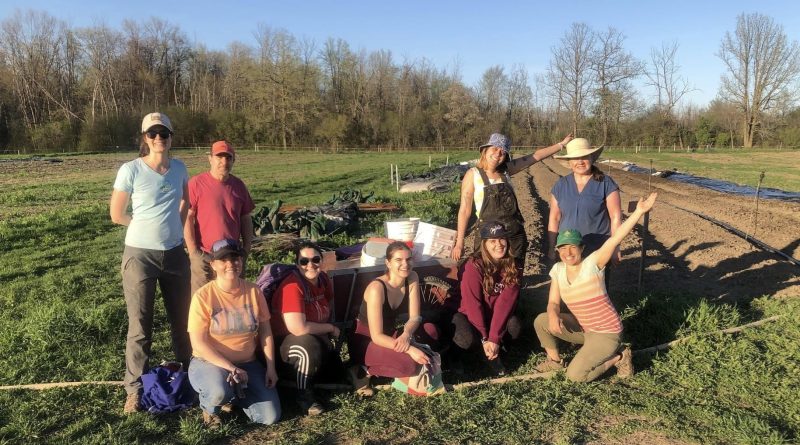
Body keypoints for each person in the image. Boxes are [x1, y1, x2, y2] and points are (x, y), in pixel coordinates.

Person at [110, 112, 192, 414]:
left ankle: (192, 378)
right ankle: (134, 390)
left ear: (171, 137)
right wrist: (144, 225)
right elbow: (117, 214)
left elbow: (187, 203)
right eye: (153, 133)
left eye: (164, 133)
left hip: (174, 254)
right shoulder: (130, 169)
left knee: (183, 322)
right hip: (139, 256)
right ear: (145, 138)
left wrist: (175, 227)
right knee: (140, 326)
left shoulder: (180, 168)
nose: (159, 138)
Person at [533, 192, 658, 382]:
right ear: (558, 250)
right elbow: (553, 302)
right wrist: (552, 314)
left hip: (606, 332)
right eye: (563, 248)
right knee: (542, 320)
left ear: (582, 248)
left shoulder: (592, 263)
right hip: (585, 328)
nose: (568, 252)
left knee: (575, 376)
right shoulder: (558, 270)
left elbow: (615, 239)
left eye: (573, 247)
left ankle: (620, 356)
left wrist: (638, 212)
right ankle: (554, 360)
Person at [187, 238, 280, 428]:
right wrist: (231, 368)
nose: (231, 264)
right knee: (219, 391)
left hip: (248, 363)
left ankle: (235, 397)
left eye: (235, 258)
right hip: (210, 362)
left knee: (270, 417)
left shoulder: (254, 291)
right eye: (223, 260)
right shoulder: (203, 296)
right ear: (213, 265)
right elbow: (198, 343)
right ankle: (210, 407)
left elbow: (266, 332)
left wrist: (271, 367)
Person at [452, 132, 573, 269]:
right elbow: (465, 210)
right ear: (485, 150)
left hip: (513, 235)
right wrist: (459, 242)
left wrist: (561, 145)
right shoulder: (472, 174)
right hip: (488, 237)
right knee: (486, 274)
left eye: (503, 152)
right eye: (495, 149)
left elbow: (536, 156)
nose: (498, 154)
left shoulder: (507, 171)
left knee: (513, 276)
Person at [348, 242, 440, 395]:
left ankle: (396, 363)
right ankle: (362, 370)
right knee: (410, 364)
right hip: (367, 341)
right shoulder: (377, 288)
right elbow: (377, 336)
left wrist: (406, 334)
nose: (405, 264)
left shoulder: (412, 277)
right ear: (388, 263)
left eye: (408, 259)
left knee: (431, 331)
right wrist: (410, 349)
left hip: (390, 335)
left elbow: (415, 317)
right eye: (399, 260)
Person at [272, 241, 341, 416]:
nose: (310, 265)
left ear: (322, 261)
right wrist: (329, 328)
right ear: (297, 264)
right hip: (283, 346)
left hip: (314, 336)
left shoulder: (323, 279)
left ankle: (309, 377)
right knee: (307, 347)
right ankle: (304, 395)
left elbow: (330, 303)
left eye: (315, 259)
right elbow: (298, 328)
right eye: (304, 261)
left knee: (333, 368)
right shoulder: (293, 287)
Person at [185, 140, 255, 297]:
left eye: (228, 158)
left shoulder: (239, 186)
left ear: (233, 160)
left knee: (233, 297)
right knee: (202, 299)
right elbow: (187, 218)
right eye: (219, 157)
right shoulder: (196, 183)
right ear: (210, 158)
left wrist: (246, 248)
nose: (224, 162)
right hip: (205, 255)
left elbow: (245, 218)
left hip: (232, 254)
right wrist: (193, 251)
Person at [451, 221, 521, 376]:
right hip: (468, 315)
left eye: (502, 239)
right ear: (484, 244)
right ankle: (456, 356)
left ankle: (493, 353)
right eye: (493, 241)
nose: (499, 244)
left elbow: (505, 304)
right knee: (465, 338)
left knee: (514, 326)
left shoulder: (513, 266)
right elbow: (472, 304)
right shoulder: (473, 266)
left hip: (493, 315)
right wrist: (484, 337)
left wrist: (494, 338)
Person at [547, 137, 622, 263]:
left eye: (585, 156)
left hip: (598, 248)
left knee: (596, 282)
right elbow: (554, 218)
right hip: (568, 250)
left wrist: (615, 247)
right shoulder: (561, 185)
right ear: (569, 162)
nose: (580, 161)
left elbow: (616, 217)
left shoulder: (606, 183)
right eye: (575, 158)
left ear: (592, 158)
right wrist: (551, 247)